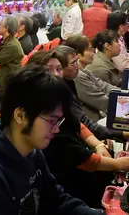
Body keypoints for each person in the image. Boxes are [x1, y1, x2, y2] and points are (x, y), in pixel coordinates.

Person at [0, 65, 103, 215]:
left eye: (58, 122)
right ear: (20, 116)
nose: (56, 129)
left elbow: (56, 200)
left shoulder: (32, 153)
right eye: (51, 121)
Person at [25, 51, 129, 209]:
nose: (56, 75)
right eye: (48, 70)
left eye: (58, 69)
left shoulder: (60, 94)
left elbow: (78, 124)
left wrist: (98, 146)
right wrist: (117, 163)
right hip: (68, 175)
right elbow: (70, 152)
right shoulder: (39, 113)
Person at [54, 45, 126, 140]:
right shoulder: (66, 88)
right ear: (59, 69)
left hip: (93, 126)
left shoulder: (74, 77)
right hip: (93, 125)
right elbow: (86, 123)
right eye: (73, 63)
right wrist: (122, 134)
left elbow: (105, 87)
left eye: (77, 61)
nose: (77, 66)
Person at [65, 35, 119, 121]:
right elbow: (101, 101)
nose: (94, 53)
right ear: (77, 55)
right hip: (92, 123)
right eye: (90, 50)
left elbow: (105, 87)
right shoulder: (77, 76)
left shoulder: (84, 71)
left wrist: (124, 95)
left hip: (99, 117)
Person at [0, 16, 24, 108]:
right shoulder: (7, 41)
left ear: (7, 28)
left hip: (4, 82)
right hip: (4, 76)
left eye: (0, 25)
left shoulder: (12, 45)